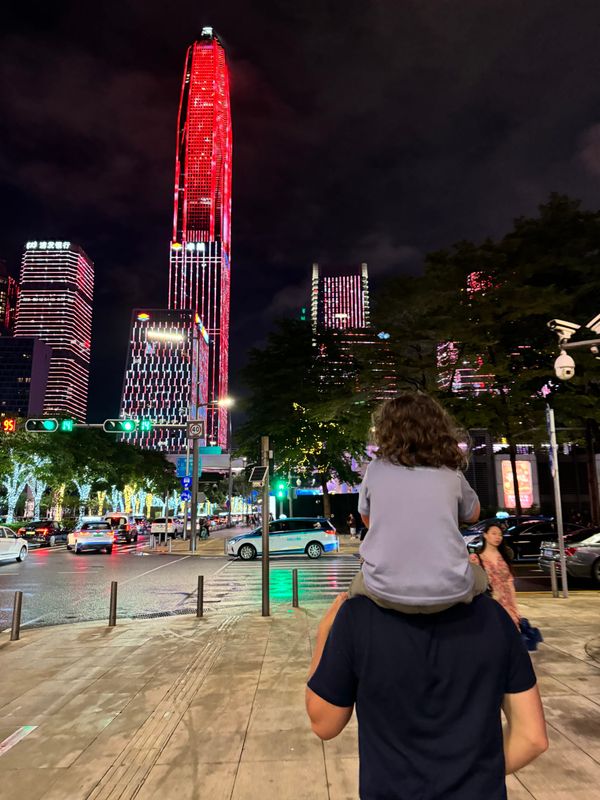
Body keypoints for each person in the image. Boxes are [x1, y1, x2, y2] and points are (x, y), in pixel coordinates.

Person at [306, 592, 548, 799]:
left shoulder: (357, 616)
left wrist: (324, 632)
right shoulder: (493, 616)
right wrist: (470, 775)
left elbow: (324, 723)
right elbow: (532, 738)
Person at [350, 392, 487, 612]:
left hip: (384, 590)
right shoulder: (451, 472)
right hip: (450, 591)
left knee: (354, 590)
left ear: (386, 431)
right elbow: (473, 514)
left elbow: (367, 519)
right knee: (481, 576)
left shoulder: (375, 470)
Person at [470, 521, 520, 627]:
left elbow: (509, 582)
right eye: (494, 533)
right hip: (488, 605)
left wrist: (515, 607)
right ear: (485, 535)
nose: (498, 537)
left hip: (508, 606)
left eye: (500, 534)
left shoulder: (504, 557)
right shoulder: (476, 558)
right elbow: (474, 586)